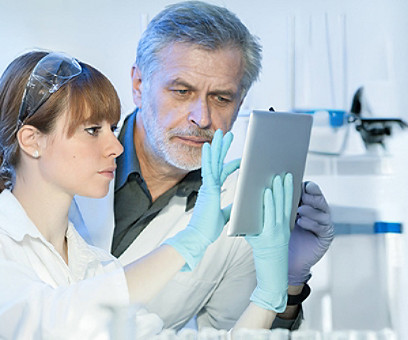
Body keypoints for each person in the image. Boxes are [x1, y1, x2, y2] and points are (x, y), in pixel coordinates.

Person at [70, 0, 334, 331]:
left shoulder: (240, 206)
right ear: (138, 84)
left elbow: (236, 332)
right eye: (181, 91)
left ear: (241, 101)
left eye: (221, 98)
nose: (202, 117)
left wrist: (289, 281)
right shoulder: (65, 160)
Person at [0, 50, 295, 338]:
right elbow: (56, 322)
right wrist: (187, 244)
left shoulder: (94, 264)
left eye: (111, 128)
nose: (115, 147)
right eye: (92, 130)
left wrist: (268, 297)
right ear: (31, 140)